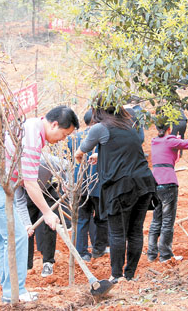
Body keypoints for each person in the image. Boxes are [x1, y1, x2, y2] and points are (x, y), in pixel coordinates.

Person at [0, 106, 79, 303]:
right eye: (64, 134)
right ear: (54, 124)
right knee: (18, 236)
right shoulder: (32, 139)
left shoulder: (32, 126)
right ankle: (17, 291)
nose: (62, 139)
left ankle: (10, 293)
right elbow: (30, 183)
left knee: (8, 239)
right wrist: (47, 213)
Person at [74, 95, 156, 282]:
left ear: (97, 110)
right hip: (143, 182)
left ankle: (116, 276)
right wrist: (100, 156)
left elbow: (82, 149)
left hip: (121, 186)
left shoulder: (100, 128)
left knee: (117, 232)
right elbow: (124, 150)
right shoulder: (130, 124)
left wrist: (81, 156)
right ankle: (130, 275)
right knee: (135, 230)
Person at [148, 116, 188, 263]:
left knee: (156, 219)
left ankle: (151, 254)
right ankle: (165, 255)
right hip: (168, 182)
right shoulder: (170, 140)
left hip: (154, 183)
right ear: (169, 128)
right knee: (167, 221)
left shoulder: (154, 141)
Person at [69, 109, 109, 262]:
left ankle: (82, 252)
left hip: (80, 184)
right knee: (101, 218)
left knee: (82, 219)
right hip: (98, 184)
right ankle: (99, 248)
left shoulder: (73, 138)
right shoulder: (102, 135)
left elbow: (70, 160)